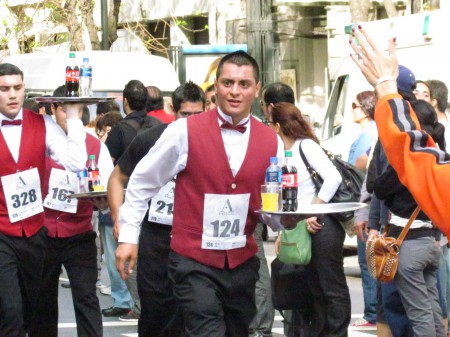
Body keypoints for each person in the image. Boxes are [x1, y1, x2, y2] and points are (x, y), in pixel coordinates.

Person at [116, 50, 285, 337]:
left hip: (242, 263)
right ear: (215, 87)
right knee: (206, 330)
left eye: (243, 84)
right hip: (193, 261)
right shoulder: (184, 131)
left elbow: (271, 208)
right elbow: (142, 182)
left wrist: (285, 221)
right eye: (227, 82)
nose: (234, 91)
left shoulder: (272, 141)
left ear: (257, 90)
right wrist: (129, 237)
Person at [350, 25, 450, 337]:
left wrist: (384, 86)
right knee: (431, 308)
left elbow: (408, 153)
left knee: (413, 313)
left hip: (407, 244)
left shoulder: (421, 159)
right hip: (428, 242)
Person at [108, 80, 205, 336]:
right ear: (173, 110)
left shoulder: (212, 144)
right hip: (156, 238)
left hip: (196, 240)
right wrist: (121, 219)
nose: (190, 122)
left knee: (195, 314)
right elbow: (117, 178)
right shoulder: (149, 139)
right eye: (185, 115)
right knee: (156, 311)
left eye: (198, 115)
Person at [0, 63, 87, 336]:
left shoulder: (43, 124)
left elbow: (75, 163)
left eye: (17, 88)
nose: (12, 94)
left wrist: (73, 116)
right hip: (1, 233)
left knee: (31, 311)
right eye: (4, 89)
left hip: (35, 234)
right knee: (10, 312)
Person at [31, 85, 113, 337]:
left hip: (79, 233)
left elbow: (108, 187)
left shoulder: (95, 146)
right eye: (66, 110)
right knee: (42, 300)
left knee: (86, 297)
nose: (71, 116)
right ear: (54, 109)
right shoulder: (39, 141)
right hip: (42, 232)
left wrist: (103, 202)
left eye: (77, 110)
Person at [269, 102, 348, 337]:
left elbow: (333, 178)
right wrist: (285, 230)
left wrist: (316, 210)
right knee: (312, 285)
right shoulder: (281, 153)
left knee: (330, 286)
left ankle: (337, 333)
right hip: (300, 224)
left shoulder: (307, 146)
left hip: (322, 226)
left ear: (276, 126)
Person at [251, 81, 296, 337]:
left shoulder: (270, 133)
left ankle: (261, 325)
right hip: (296, 208)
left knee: (262, 270)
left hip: (276, 206)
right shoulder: (304, 125)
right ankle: (294, 324)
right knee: (296, 268)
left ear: (269, 107)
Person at [348, 90, 378, 330]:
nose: (353, 110)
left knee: (369, 262)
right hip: (366, 202)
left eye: (355, 105)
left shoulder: (372, 133)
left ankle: (372, 312)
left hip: (366, 204)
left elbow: (361, 164)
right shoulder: (370, 133)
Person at [105, 80, 162, 164]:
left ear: (125, 101)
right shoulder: (158, 124)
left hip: (127, 176)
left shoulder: (119, 129)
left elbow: (107, 164)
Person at [348, 90, 377, 170]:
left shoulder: (369, 133)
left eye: (354, 106)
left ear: (365, 109)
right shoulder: (371, 129)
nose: (351, 110)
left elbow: (357, 167)